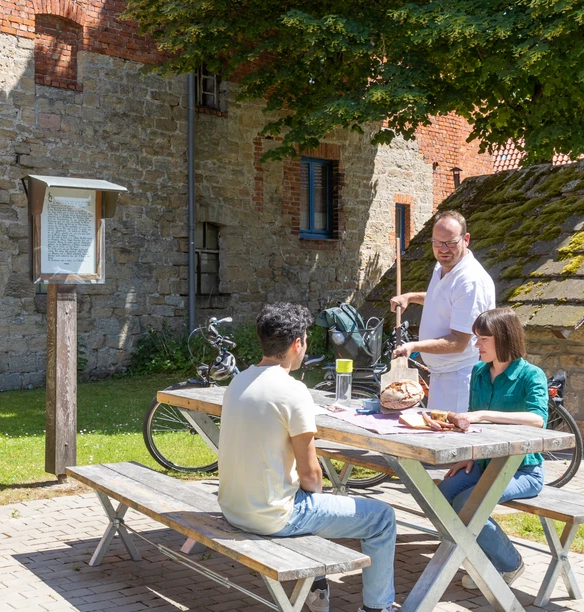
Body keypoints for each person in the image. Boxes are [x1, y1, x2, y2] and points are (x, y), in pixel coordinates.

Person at [218, 302, 399, 612]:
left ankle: (317, 587)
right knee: (382, 518)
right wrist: (318, 499)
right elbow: (311, 474)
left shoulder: (238, 381)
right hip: (272, 516)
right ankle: (378, 607)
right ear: (297, 343)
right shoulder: (292, 390)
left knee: (320, 503)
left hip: (233, 507)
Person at [426, 307, 549, 590]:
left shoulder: (531, 375)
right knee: (439, 495)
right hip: (482, 464)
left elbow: (537, 419)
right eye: (476, 338)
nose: (476, 345)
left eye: (483, 339)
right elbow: (472, 423)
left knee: (468, 502)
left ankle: (508, 563)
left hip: (523, 470)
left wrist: (482, 414)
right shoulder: (479, 372)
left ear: (504, 338)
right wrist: (468, 455)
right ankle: (474, 557)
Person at [389, 210, 496, 411]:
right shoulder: (442, 267)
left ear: (466, 239)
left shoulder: (470, 281)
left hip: (461, 378)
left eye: (450, 243)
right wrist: (410, 297)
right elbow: (440, 299)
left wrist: (415, 347)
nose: (443, 249)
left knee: (451, 439)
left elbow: (459, 342)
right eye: (437, 243)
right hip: (441, 375)